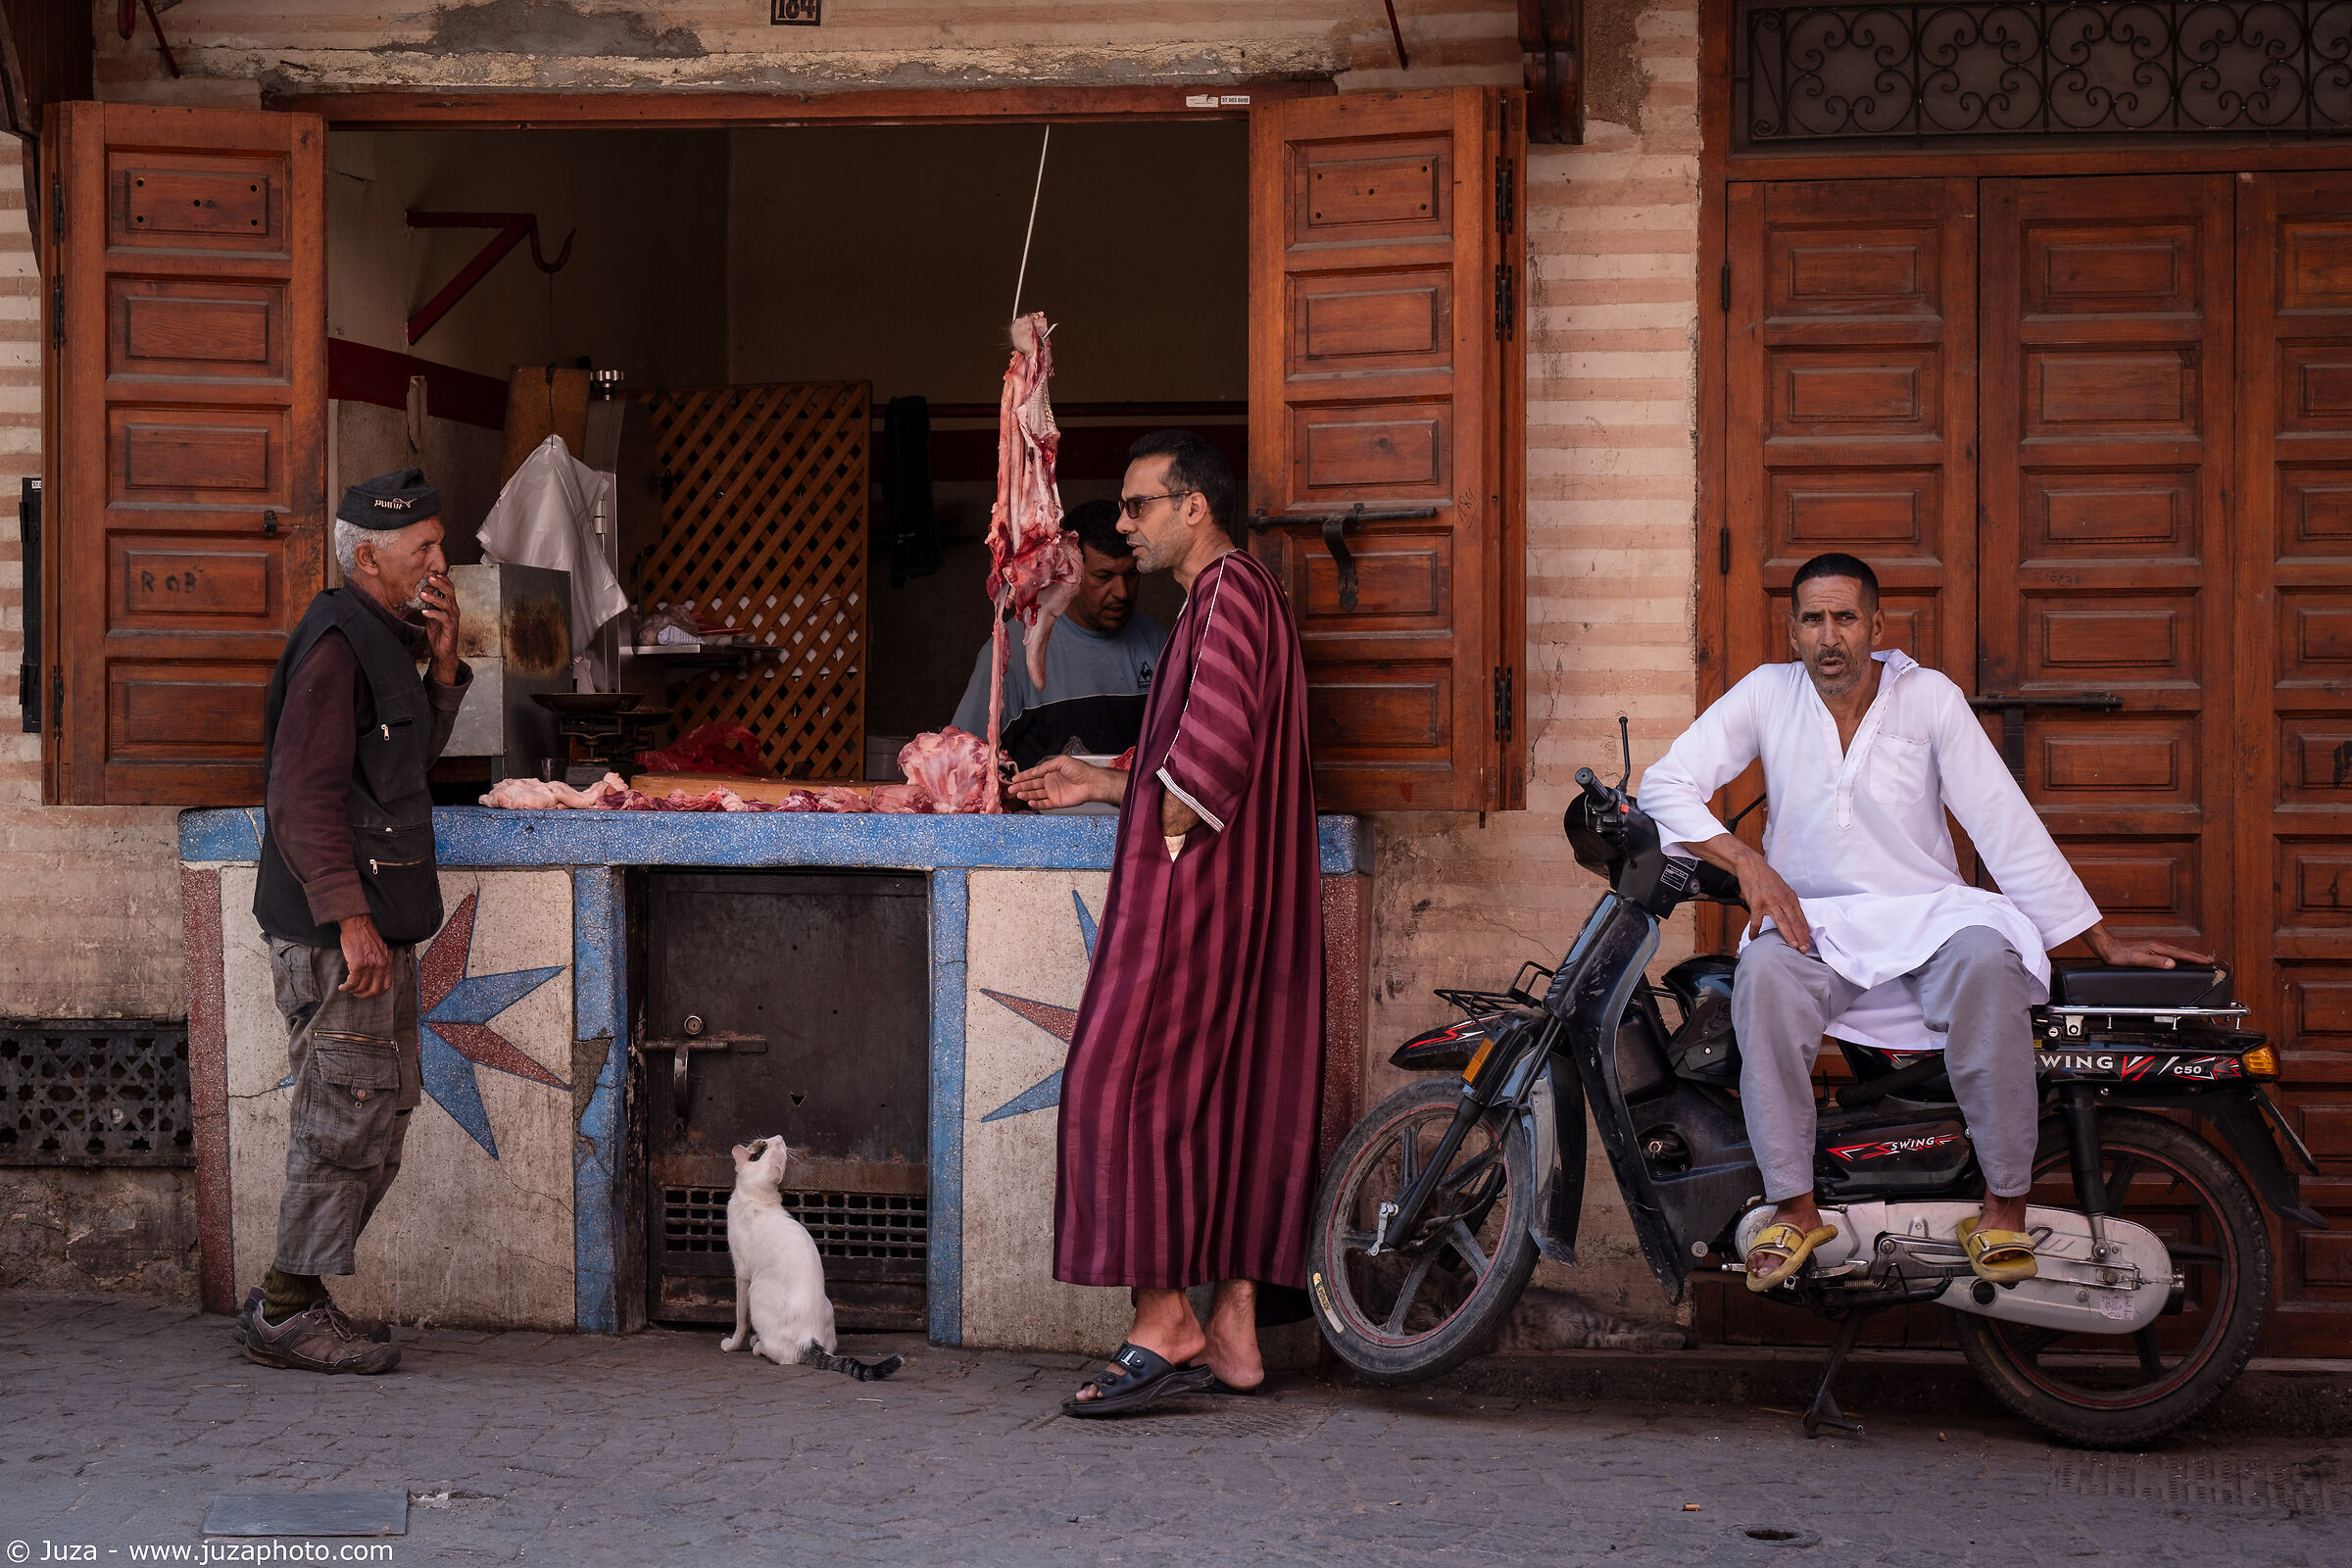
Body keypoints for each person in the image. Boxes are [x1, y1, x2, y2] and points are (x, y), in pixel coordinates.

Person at [1640, 553, 2210, 1291]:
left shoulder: (1928, 697)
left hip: (1931, 919)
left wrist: (2097, 938)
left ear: (1876, 626)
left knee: (1988, 965)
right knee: (1765, 975)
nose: (1829, 636)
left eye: (1845, 617)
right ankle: (1797, 1207)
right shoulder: (1766, 694)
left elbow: (2003, 824)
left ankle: (2004, 1204)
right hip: (1819, 928)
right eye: (1813, 619)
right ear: (1792, 631)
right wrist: (1747, 862)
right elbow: (1666, 785)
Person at [1007, 431, 1324, 1415]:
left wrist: (1152, 814)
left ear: (1195, 508)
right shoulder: (1243, 596)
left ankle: (1163, 1319)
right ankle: (1230, 1319)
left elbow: (1203, 772)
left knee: (1118, 1087)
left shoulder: (1226, 596)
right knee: (1224, 1104)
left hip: (1193, 904)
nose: (1123, 524)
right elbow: (1181, 757)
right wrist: (1101, 778)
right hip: (1242, 905)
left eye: (1139, 505)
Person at [234, 467, 471, 1374]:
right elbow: (300, 796)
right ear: (368, 557)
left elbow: (400, 773)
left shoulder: (385, 640)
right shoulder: (337, 645)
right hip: (343, 939)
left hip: (371, 932)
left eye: (439, 544)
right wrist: (350, 921)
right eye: (424, 549)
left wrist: (444, 669)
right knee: (344, 1120)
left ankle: (295, 1297)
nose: (440, 562)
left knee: (375, 1116)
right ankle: (288, 1312)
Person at [951, 498, 1167, 767]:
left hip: (1132, 809)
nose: (1121, 592)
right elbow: (961, 763)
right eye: (1103, 577)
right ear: (1069, 572)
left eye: (1131, 575)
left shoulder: (1161, 647)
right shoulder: (1012, 653)